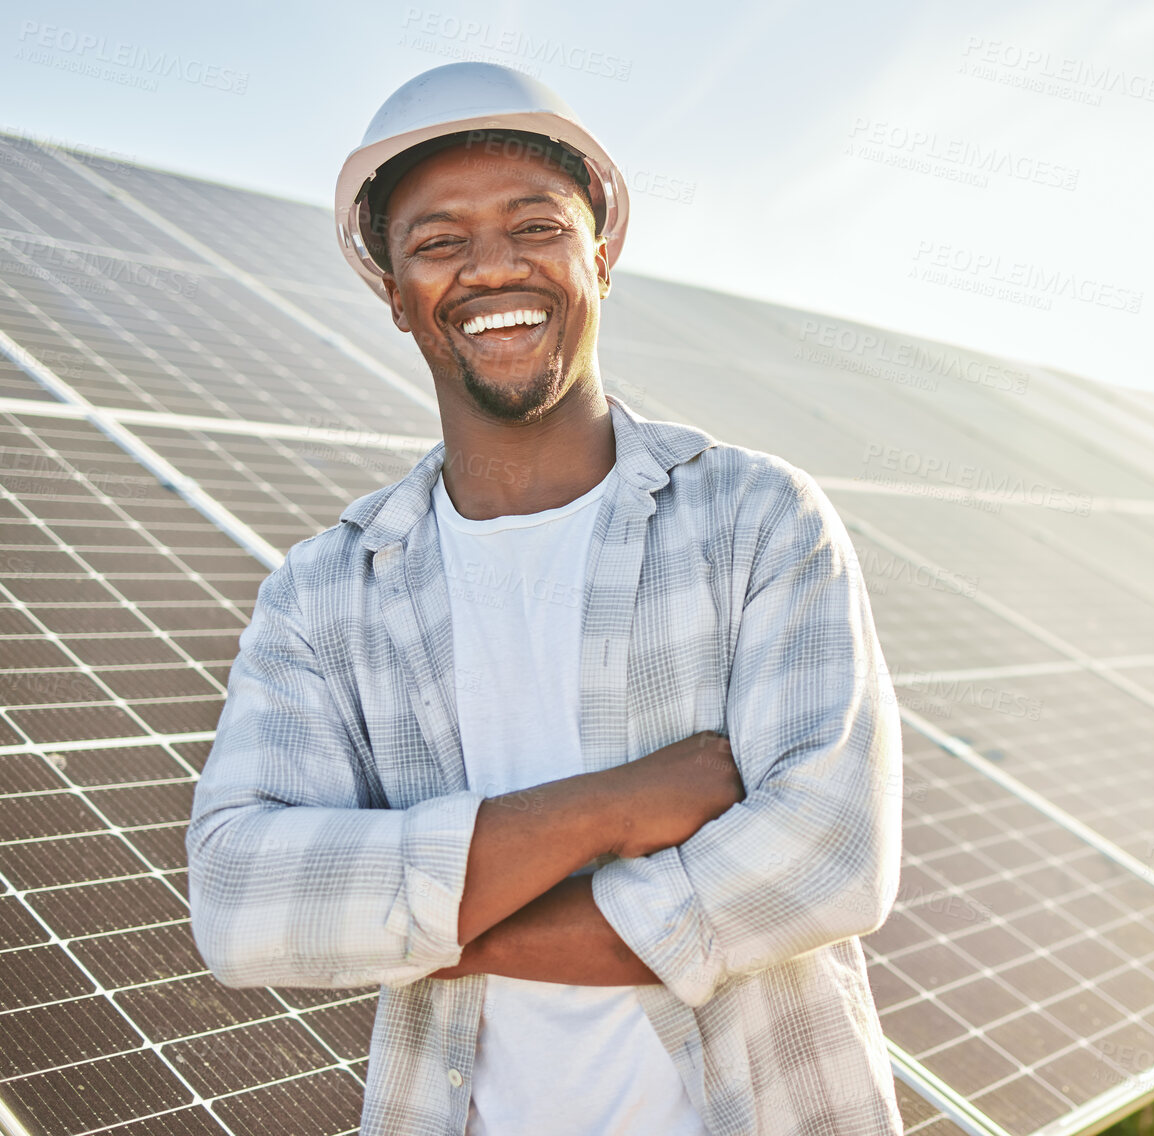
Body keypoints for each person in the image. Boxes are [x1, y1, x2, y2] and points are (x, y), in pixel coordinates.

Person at [186, 62, 904, 1136]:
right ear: (392, 290)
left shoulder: (755, 518)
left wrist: (423, 916)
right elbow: (242, 903)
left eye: (534, 225)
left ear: (599, 252)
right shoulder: (324, 595)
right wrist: (614, 807)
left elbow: (828, 857)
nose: (490, 268)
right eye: (437, 242)